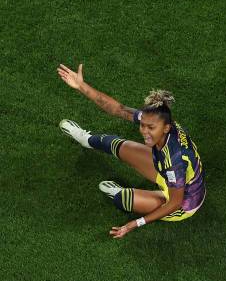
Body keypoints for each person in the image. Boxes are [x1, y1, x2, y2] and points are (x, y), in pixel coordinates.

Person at [57, 63, 206, 239]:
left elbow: (174, 203)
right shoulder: (161, 121)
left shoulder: (173, 160)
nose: (144, 131)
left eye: (150, 128)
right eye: (143, 125)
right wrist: (82, 86)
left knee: (123, 199)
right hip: (167, 175)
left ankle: (119, 194)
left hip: (182, 203)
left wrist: (134, 224)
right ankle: (86, 139)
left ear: (166, 128)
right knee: (117, 145)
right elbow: (118, 109)